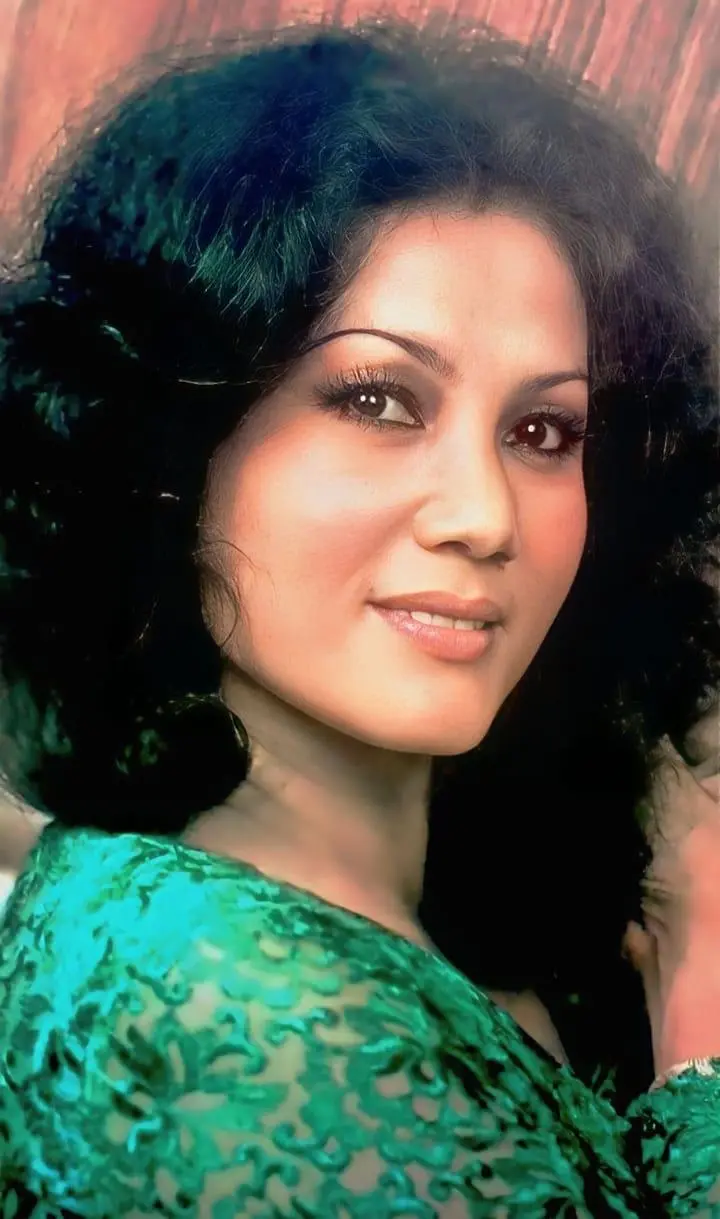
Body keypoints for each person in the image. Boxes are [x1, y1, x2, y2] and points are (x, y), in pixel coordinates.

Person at [0, 13, 717, 1216]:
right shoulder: (220, 1010)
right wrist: (706, 1011)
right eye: (379, 400)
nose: (485, 515)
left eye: (543, 430)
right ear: (172, 443)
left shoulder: (512, 880)